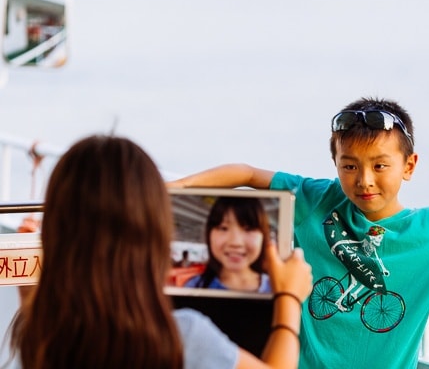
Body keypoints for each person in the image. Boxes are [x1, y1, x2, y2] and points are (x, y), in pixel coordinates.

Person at [167, 97, 429, 369]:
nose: (363, 179)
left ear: (409, 166)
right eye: (349, 165)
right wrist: (174, 189)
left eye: (380, 165)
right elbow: (245, 174)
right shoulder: (317, 198)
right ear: (335, 164)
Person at [4, 135, 312, 369]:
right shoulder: (182, 338)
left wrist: (30, 293)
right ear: (155, 232)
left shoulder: (41, 331)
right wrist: (289, 298)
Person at [184, 197, 271, 292]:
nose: (235, 242)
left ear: (263, 236)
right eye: (223, 228)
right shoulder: (194, 286)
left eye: (248, 229)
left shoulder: (277, 288)